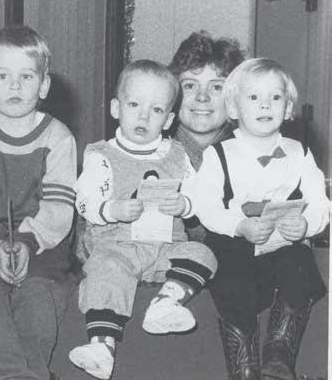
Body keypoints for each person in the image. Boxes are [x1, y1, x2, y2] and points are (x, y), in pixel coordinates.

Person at [70, 60, 217, 380]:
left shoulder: (178, 155)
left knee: (203, 254)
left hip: (166, 247)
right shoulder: (101, 155)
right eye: (134, 105)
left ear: (169, 119)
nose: (143, 116)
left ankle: (166, 302)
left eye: (156, 109)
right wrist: (112, 210)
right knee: (103, 270)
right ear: (115, 108)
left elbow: (200, 197)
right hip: (118, 246)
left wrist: (185, 204)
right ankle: (102, 346)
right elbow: (84, 200)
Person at [0, 26, 76, 380]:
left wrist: (27, 242)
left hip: (43, 244)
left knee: (38, 297)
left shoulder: (59, 138)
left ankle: (32, 373)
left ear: (44, 85)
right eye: (3, 76)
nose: (15, 86)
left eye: (27, 76)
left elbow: (58, 209)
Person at [192, 58, 328, 380]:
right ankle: (244, 367)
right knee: (230, 281)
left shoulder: (299, 153)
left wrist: (307, 224)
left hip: (283, 243)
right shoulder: (218, 154)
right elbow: (205, 207)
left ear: (288, 107)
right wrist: (238, 225)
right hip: (234, 243)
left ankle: (279, 356)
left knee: (301, 266)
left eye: (275, 97)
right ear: (234, 108)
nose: (265, 104)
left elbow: (321, 203)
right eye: (253, 97)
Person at [168, 30, 246, 243]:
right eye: (190, 86)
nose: (202, 97)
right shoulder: (151, 153)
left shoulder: (251, 155)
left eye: (217, 87)